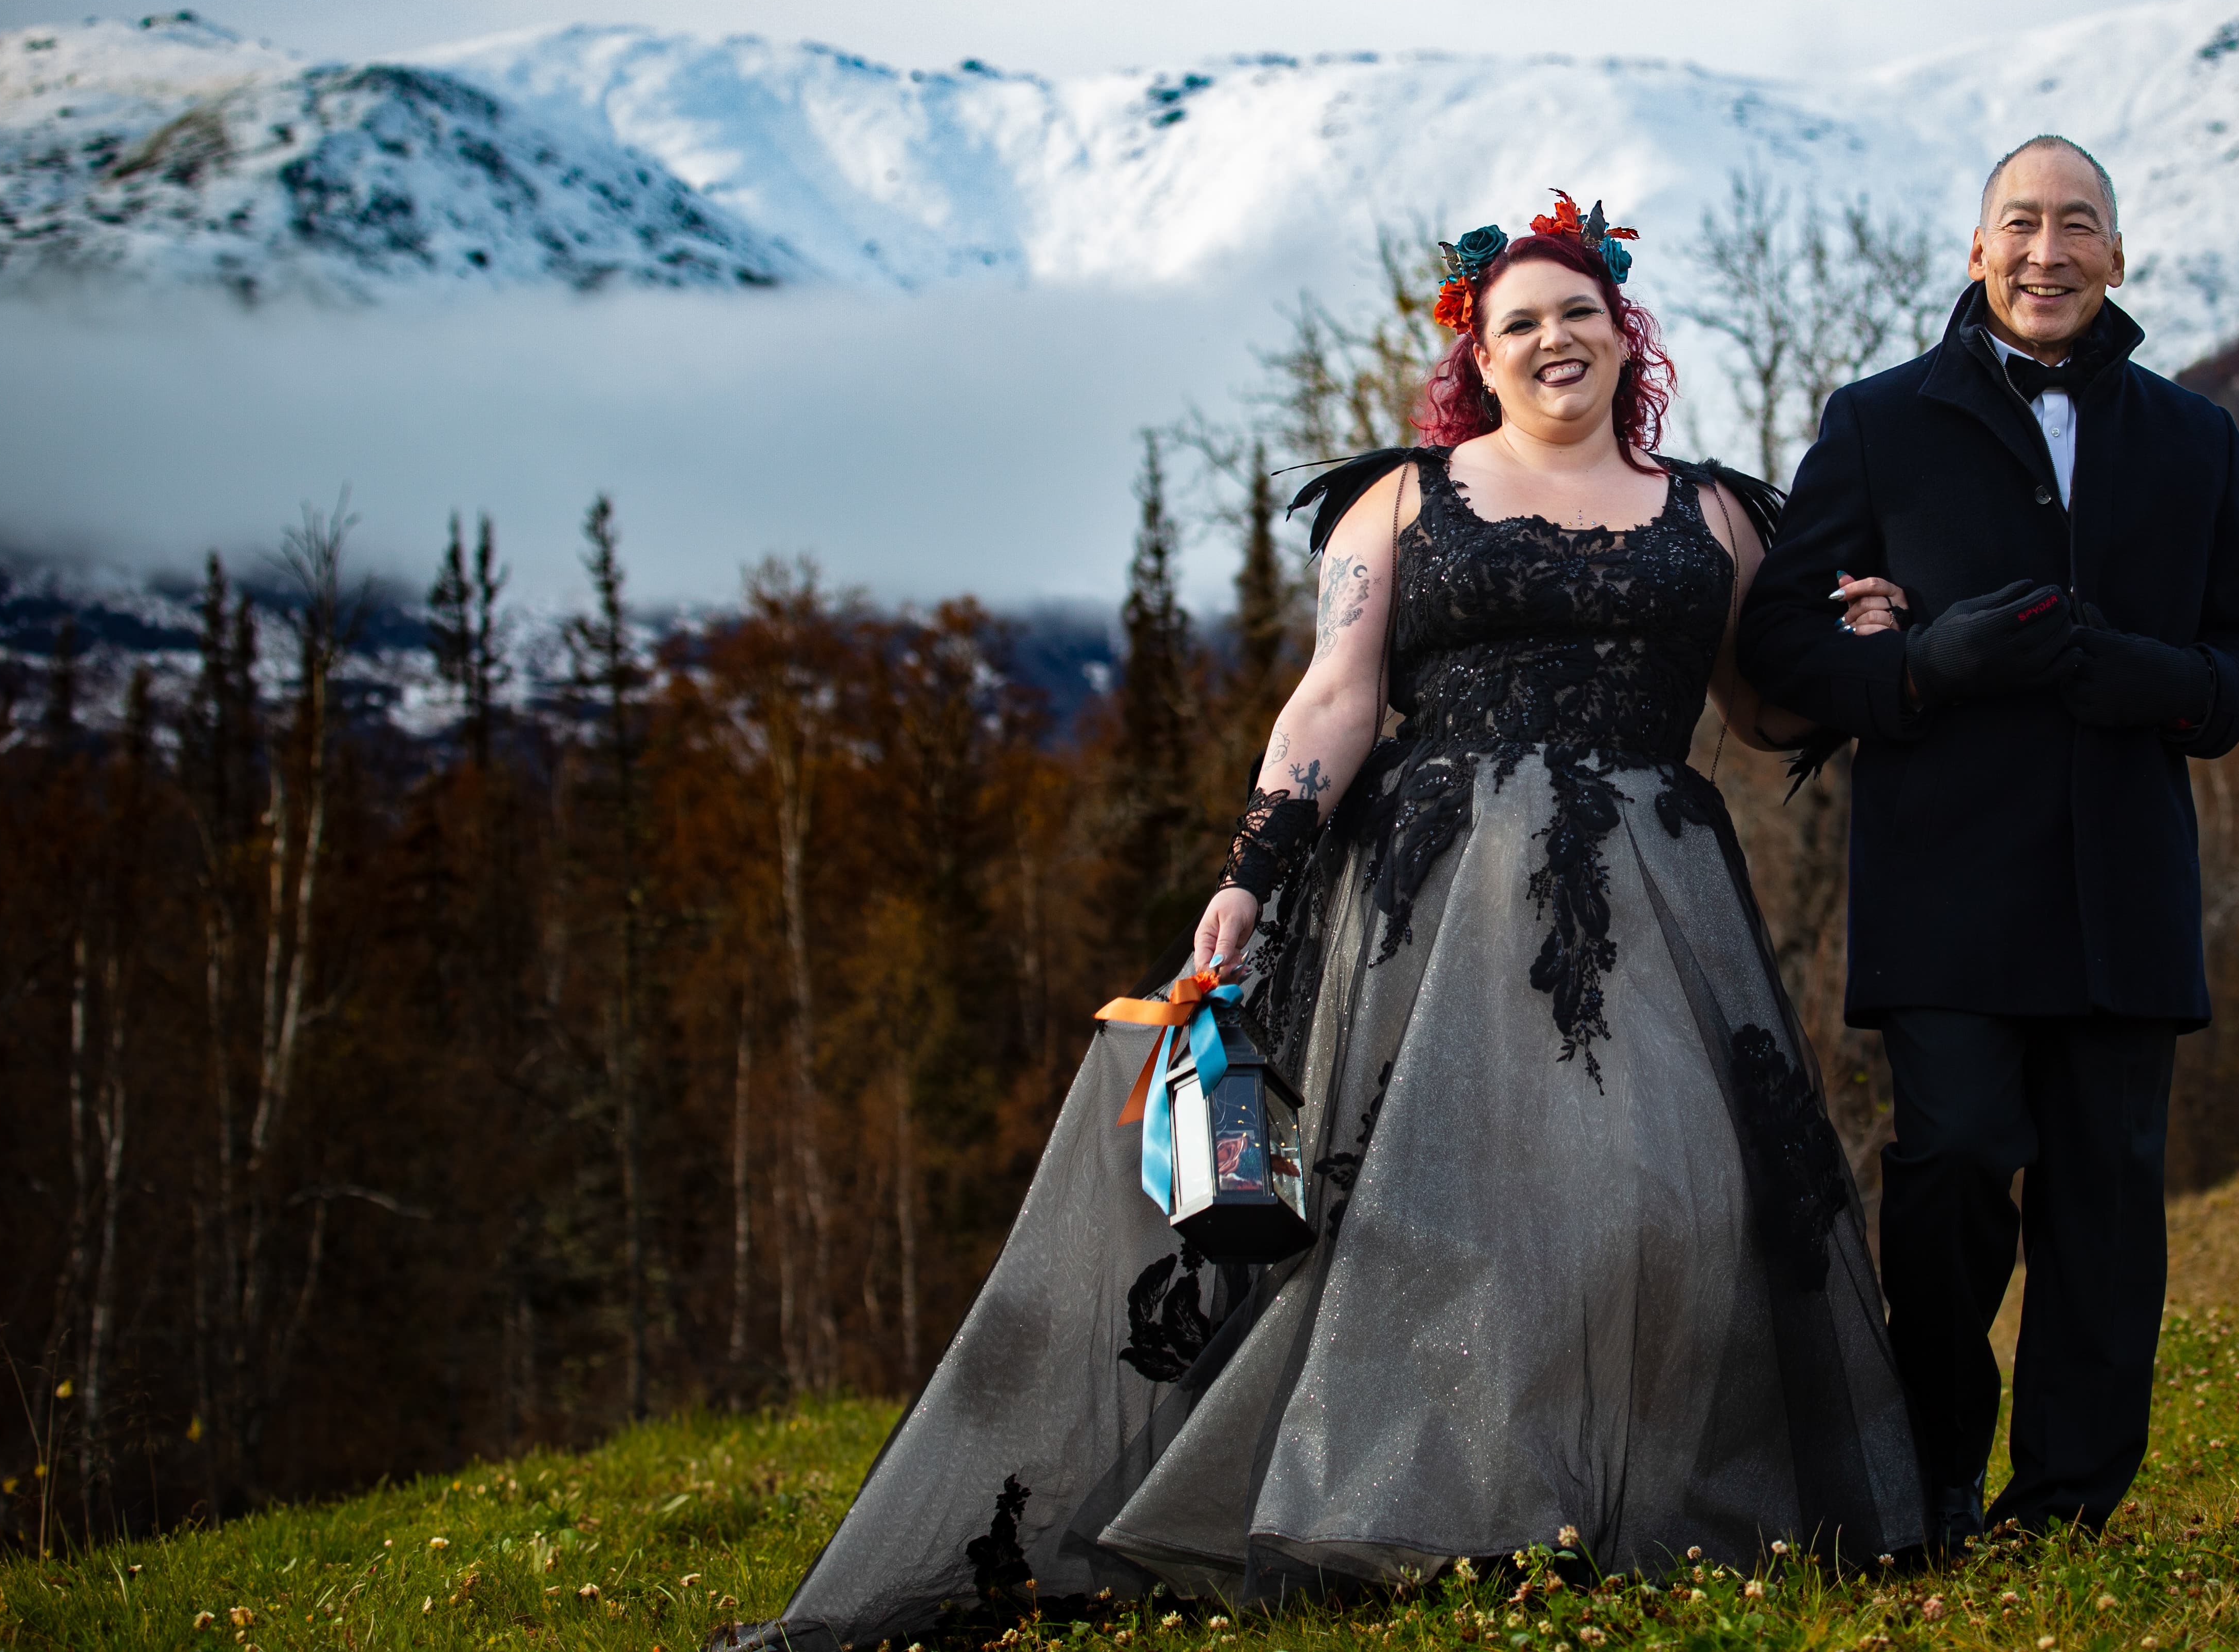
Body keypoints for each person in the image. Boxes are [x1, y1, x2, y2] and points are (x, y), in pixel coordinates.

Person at [739, 193, 1922, 1650]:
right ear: (1477, 359)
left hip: (1656, 894)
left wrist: (1865, 649)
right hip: (1432, 889)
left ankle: (1627, 1502)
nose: (1555, 339)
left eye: (1579, 314)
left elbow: (1759, 705)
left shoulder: (1721, 515)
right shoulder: (1405, 502)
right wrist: (1250, 869)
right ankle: (1456, 1513)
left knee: (1664, 1209)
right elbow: (1338, 697)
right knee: (1432, 1211)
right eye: (1521, 324)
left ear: (1628, 334)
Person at [1735, 136, 2239, 1548]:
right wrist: (1921, 669)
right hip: (1947, 890)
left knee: (2106, 1205)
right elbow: (1783, 641)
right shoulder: (1876, 423)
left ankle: (2067, 1509)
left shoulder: (2195, 439)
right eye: (2020, 225)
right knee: (1957, 1161)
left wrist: (2132, 674)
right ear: (1978, 252)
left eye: (2078, 225)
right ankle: (1926, 1479)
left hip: (2126, 894)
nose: (2048, 252)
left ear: (2119, 253)